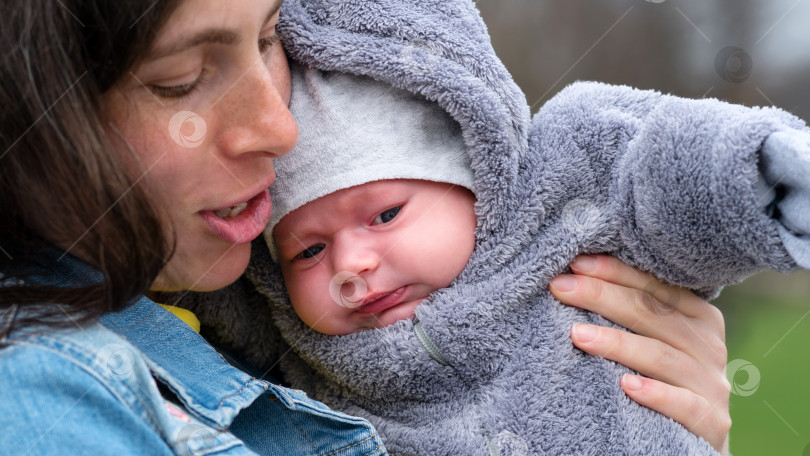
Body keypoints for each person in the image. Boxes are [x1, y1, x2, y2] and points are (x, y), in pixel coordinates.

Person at [0, 0, 737, 454]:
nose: (280, 128)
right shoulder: (43, 404)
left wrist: (662, 423)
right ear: (31, 109)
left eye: (267, 39)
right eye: (181, 80)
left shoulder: (202, 322)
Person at [240, 7, 807, 456]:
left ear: (473, 179)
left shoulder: (558, 200)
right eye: (308, 250)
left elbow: (656, 172)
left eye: (385, 215)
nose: (350, 264)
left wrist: (764, 180)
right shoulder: (294, 350)